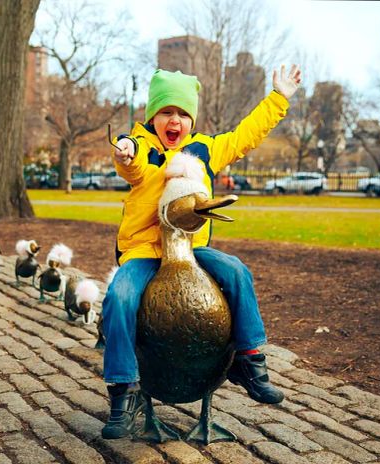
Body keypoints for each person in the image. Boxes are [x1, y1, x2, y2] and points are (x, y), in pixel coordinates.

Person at [101, 64, 302, 439]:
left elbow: (246, 135)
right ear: (153, 117)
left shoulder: (205, 149)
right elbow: (131, 162)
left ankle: (249, 361)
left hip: (191, 250)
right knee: (120, 294)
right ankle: (123, 389)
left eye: (182, 113)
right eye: (166, 112)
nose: (173, 120)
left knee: (237, 270)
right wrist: (125, 152)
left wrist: (278, 98)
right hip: (146, 252)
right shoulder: (143, 148)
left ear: (190, 119)